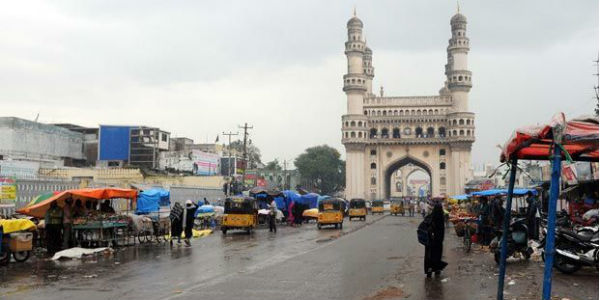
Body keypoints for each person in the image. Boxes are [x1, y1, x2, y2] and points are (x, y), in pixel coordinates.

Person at [424, 201, 447, 278]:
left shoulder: (431, 217)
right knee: (437, 255)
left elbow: (425, 225)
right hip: (439, 241)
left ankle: (429, 270)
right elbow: (442, 230)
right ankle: (437, 270)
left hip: (430, 241)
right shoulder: (441, 218)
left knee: (430, 256)